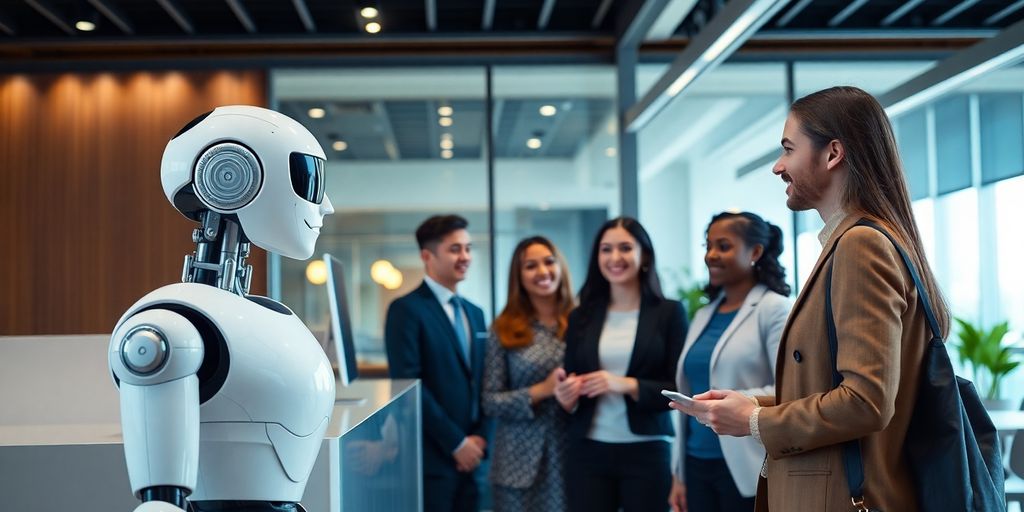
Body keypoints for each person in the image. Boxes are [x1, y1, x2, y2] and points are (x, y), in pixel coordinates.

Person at [669, 86, 951, 512]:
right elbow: (827, 386)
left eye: (788, 149)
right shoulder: (856, 241)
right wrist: (755, 403)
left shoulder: (860, 245)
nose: (779, 167)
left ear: (833, 153)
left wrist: (754, 421)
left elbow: (865, 402)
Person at [554, 216, 688, 512]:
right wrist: (566, 396)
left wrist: (626, 384)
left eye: (625, 248)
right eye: (606, 249)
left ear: (644, 256)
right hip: (587, 448)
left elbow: (679, 388)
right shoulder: (581, 317)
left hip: (647, 449)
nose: (615, 257)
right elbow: (571, 384)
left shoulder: (669, 313)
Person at [668, 211, 791, 512]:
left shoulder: (774, 309)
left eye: (723, 246)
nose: (711, 255)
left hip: (748, 462)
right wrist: (678, 475)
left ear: (756, 252)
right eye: (707, 246)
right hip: (696, 462)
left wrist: (734, 401)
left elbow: (790, 387)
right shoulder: (703, 314)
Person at [384, 214, 492, 512]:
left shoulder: (476, 313)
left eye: (468, 248)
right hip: (434, 459)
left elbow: (486, 380)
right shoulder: (406, 310)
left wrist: (481, 439)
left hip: (477, 458)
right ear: (427, 255)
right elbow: (410, 386)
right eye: (455, 249)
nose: (465, 257)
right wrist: (457, 444)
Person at [482, 236, 576, 512]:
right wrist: (541, 391)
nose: (543, 271)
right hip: (517, 464)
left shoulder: (583, 321)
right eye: (530, 266)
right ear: (519, 276)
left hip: (570, 455)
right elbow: (489, 400)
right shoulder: (503, 328)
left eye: (549, 262)